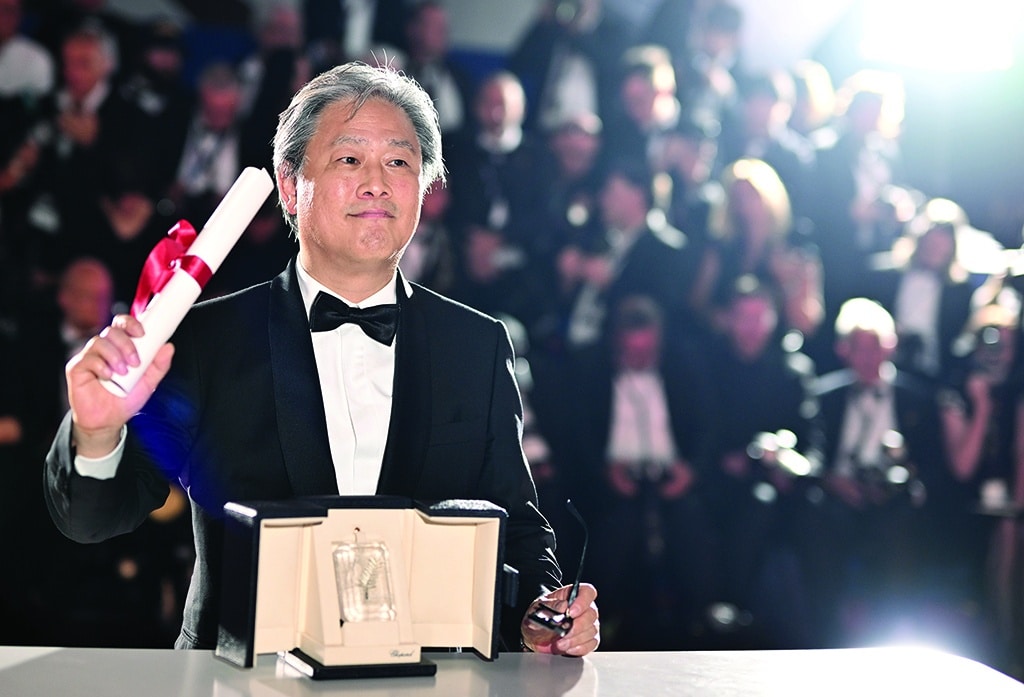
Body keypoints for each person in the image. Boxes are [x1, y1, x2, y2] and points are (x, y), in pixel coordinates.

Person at [44, 62, 599, 656]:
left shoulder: (477, 344)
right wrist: (97, 434)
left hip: (432, 680)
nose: (377, 183)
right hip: (238, 679)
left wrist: (543, 609)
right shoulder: (205, 339)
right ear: (289, 185)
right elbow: (93, 519)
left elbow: (514, 522)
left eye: (399, 161)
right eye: (349, 159)